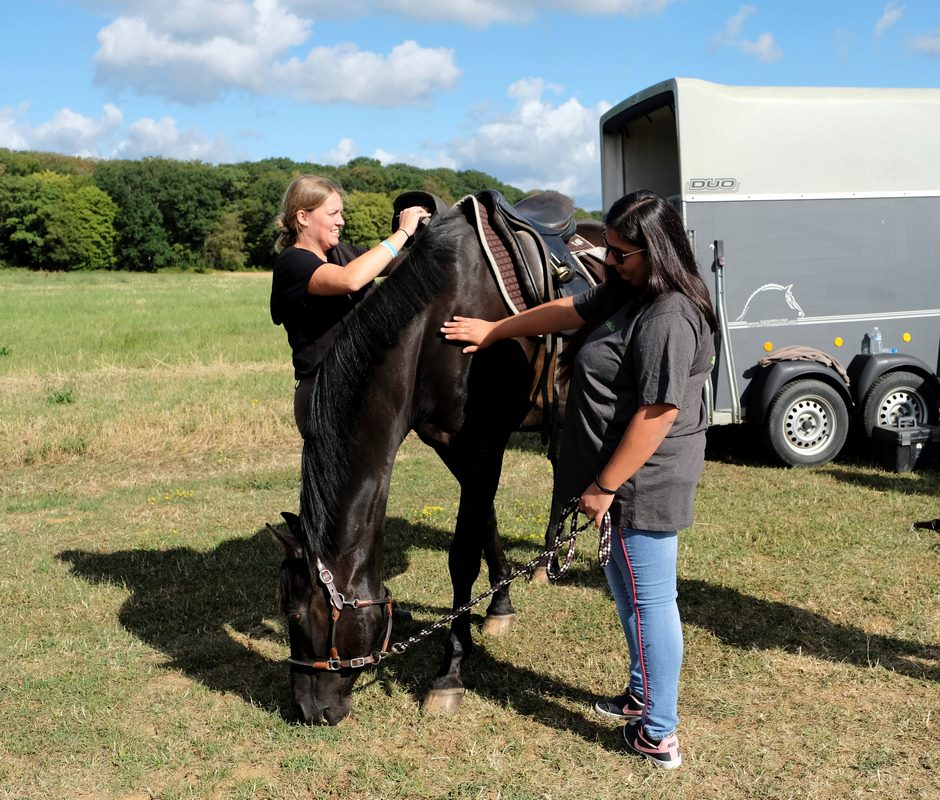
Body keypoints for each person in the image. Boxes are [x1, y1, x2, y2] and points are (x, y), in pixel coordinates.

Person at [441, 190, 716, 769]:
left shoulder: (668, 314)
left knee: (650, 602)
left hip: (643, 480)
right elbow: (567, 314)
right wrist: (495, 330)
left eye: (621, 253)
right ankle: (642, 697)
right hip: (615, 475)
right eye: (609, 250)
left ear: (658, 251)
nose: (608, 261)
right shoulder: (626, 291)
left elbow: (657, 412)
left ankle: (659, 734)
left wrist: (606, 485)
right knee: (627, 591)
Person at [270, 175, 430, 436]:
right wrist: (402, 232)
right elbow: (351, 280)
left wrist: (424, 239)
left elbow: (390, 264)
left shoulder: (344, 253)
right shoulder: (293, 263)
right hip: (325, 393)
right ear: (303, 217)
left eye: (341, 213)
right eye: (333, 213)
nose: (341, 221)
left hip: (364, 386)